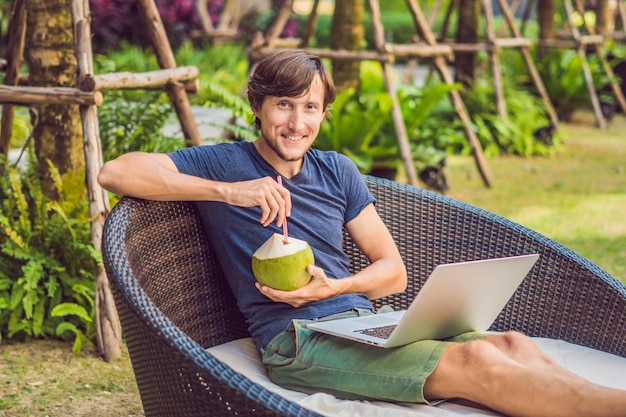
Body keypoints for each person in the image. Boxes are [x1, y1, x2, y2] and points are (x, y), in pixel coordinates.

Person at [98, 49, 626, 417]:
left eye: (310, 108)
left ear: (324, 113)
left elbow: (391, 274)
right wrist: (230, 193)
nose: (296, 123)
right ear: (258, 107)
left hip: (366, 320)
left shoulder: (336, 170)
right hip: (296, 342)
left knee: (511, 342)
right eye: (284, 104)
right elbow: (116, 172)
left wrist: (336, 287)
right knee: (477, 361)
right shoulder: (223, 163)